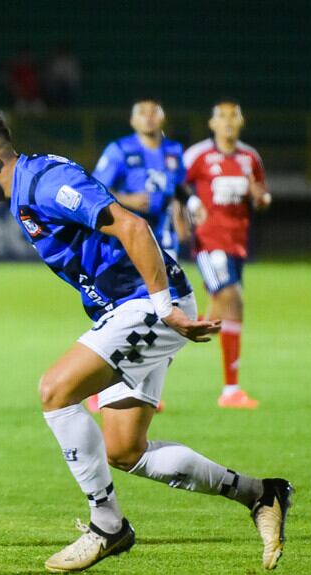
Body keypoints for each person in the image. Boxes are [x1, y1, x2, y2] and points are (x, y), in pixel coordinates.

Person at [0, 104, 291, 574]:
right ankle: (261, 494)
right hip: (127, 307)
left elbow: (133, 225)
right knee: (124, 450)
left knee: (55, 390)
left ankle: (107, 525)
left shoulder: (44, 183)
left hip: (146, 302)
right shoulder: (28, 189)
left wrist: (165, 308)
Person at [88, 98, 187, 412]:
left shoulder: (174, 151)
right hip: (128, 243)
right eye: (142, 112)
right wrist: (129, 198)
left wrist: (183, 218)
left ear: (163, 116)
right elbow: (95, 188)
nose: (148, 117)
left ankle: (145, 386)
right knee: (124, 312)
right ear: (132, 121)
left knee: (166, 316)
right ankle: (96, 383)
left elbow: (179, 191)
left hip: (165, 241)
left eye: (154, 110)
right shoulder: (119, 150)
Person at [183, 99, 271, 409]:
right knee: (232, 299)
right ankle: (229, 389)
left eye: (235, 115)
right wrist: (183, 219)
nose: (229, 121)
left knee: (226, 314)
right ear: (213, 124)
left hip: (237, 245)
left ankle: (230, 388)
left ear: (242, 121)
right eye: (222, 116)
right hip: (209, 242)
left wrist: (260, 196)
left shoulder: (249, 158)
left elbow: (262, 197)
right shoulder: (198, 156)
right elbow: (176, 187)